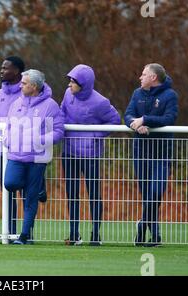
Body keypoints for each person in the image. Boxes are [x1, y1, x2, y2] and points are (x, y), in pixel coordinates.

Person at [61, 64, 121, 246]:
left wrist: (94, 135)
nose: (70, 84)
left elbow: (115, 120)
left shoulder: (100, 102)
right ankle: (74, 233)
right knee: (72, 193)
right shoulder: (67, 94)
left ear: (84, 83)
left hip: (90, 154)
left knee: (93, 193)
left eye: (74, 81)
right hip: (69, 151)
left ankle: (95, 233)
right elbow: (61, 112)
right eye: (70, 80)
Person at [4, 69, 64, 245]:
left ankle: (24, 236)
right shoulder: (16, 103)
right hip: (16, 155)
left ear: (35, 86)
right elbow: (8, 125)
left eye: (24, 83)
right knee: (10, 183)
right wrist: (8, 139)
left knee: (30, 197)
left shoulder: (51, 105)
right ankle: (39, 185)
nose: (20, 85)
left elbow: (59, 131)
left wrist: (41, 140)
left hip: (37, 159)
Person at [124, 63, 178, 247]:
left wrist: (146, 120)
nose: (140, 77)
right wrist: (136, 123)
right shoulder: (137, 93)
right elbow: (128, 115)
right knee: (147, 194)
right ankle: (155, 237)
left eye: (144, 74)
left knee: (155, 192)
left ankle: (142, 225)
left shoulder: (170, 95)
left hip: (161, 154)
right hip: (141, 152)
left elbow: (169, 118)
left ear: (153, 78)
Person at [0, 56, 25, 236]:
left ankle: (27, 233)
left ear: (17, 71)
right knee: (7, 191)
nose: (1, 71)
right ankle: (9, 232)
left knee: (25, 193)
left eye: (5, 68)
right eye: (1, 68)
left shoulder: (26, 93)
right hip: (0, 152)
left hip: (23, 152)